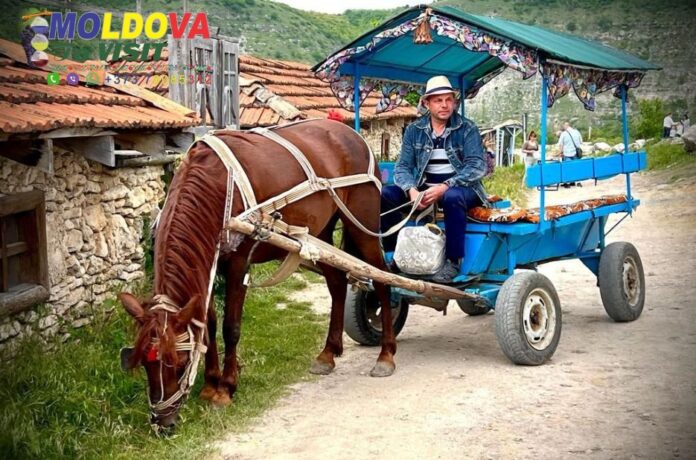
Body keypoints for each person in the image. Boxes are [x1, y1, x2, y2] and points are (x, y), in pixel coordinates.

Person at [380, 75, 487, 283]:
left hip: (463, 189)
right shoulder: (414, 130)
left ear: (454, 102)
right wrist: (412, 190)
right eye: (438, 100)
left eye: (448, 100)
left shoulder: (467, 128)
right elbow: (403, 167)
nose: (444, 105)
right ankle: (393, 256)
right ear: (427, 103)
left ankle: (453, 261)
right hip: (425, 188)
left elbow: (476, 166)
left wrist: (445, 186)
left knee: (452, 197)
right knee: (386, 195)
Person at [556, 121, 583, 188]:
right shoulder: (577, 132)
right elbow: (581, 142)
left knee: (567, 168)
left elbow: (561, 145)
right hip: (576, 153)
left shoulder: (564, 134)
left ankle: (567, 183)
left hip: (567, 154)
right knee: (576, 167)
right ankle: (577, 182)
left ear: (565, 126)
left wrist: (559, 153)